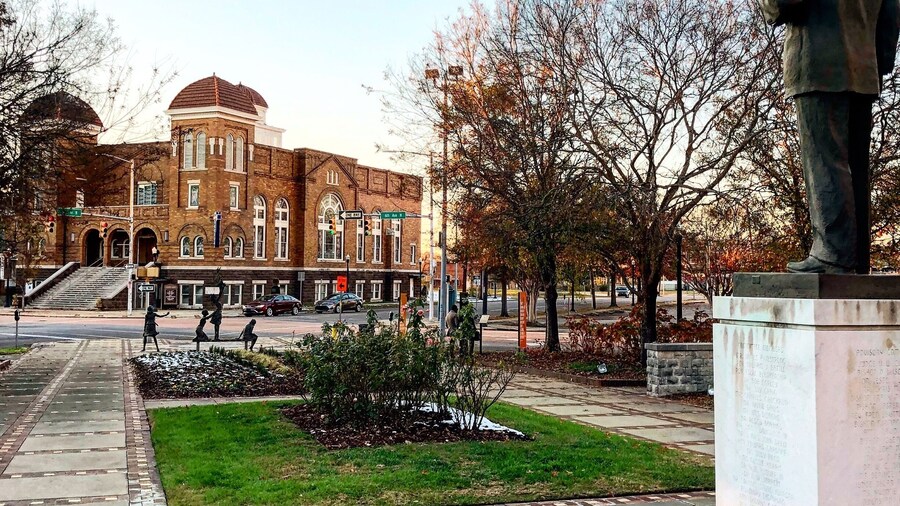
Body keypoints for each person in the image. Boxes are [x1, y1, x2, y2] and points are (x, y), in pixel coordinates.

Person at [761, 0, 900, 273]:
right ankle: (856, 258)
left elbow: (781, 5)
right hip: (864, 71)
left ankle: (832, 254)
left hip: (818, 63)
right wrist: (877, 62)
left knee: (824, 160)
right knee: (856, 169)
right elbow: (891, 13)